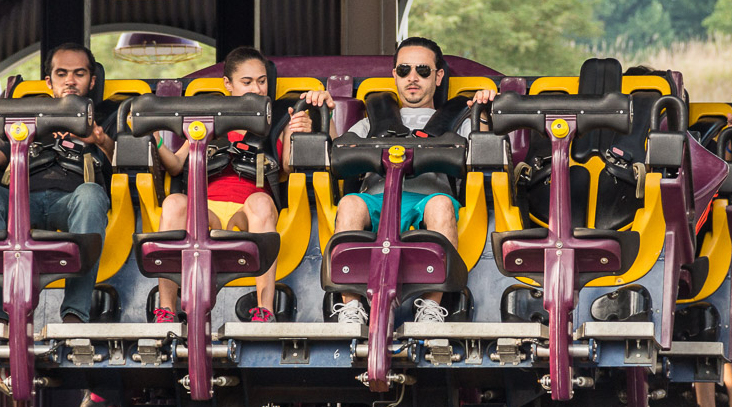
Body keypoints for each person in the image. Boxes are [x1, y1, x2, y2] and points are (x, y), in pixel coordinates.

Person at [0, 43, 112, 395]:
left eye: (79, 73)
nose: (71, 81)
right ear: (49, 81)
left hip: (72, 198)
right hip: (21, 199)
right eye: (62, 74)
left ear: (92, 80)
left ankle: (75, 312)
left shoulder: (108, 114)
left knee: (92, 196)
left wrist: (99, 139)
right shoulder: (24, 111)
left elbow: (123, 161)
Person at [315, 37, 495, 326]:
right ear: (394, 75)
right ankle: (350, 306)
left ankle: (432, 306)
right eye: (404, 70)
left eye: (423, 71)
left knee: (440, 205)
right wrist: (322, 113)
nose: (413, 78)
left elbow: (484, 150)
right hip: (378, 198)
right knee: (349, 203)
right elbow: (339, 154)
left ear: (438, 77)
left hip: (429, 198)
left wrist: (484, 113)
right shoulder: (372, 121)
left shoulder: (457, 117)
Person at [151, 46, 297, 324]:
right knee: (173, 203)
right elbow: (176, 165)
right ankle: (166, 310)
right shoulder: (206, 121)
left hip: (250, 209)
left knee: (261, 201)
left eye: (262, 80)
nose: (257, 88)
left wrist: (294, 131)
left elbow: (288, 168)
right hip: (207, 212)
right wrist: (156, 140)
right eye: (247, 82)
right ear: (227, 85)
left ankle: (264, 309)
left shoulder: (279, 121)